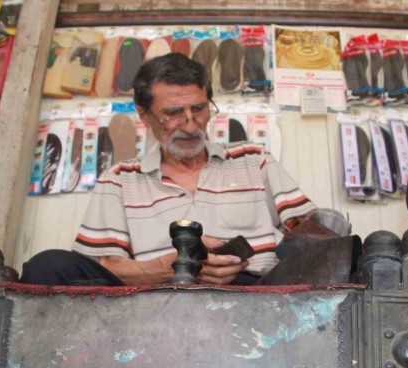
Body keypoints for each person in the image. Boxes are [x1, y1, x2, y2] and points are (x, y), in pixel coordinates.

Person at [20, 53, 349, 286]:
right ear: (145, 116)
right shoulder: (120, 180)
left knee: (353, 253)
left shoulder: (253, 159)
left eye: (199, 109)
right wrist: (168, 268)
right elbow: (104, 266)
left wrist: (322, 226)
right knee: (49, 267)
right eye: (174, 113)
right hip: (157, 300)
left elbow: (313, 233)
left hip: (254, 292)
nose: (191, 125)